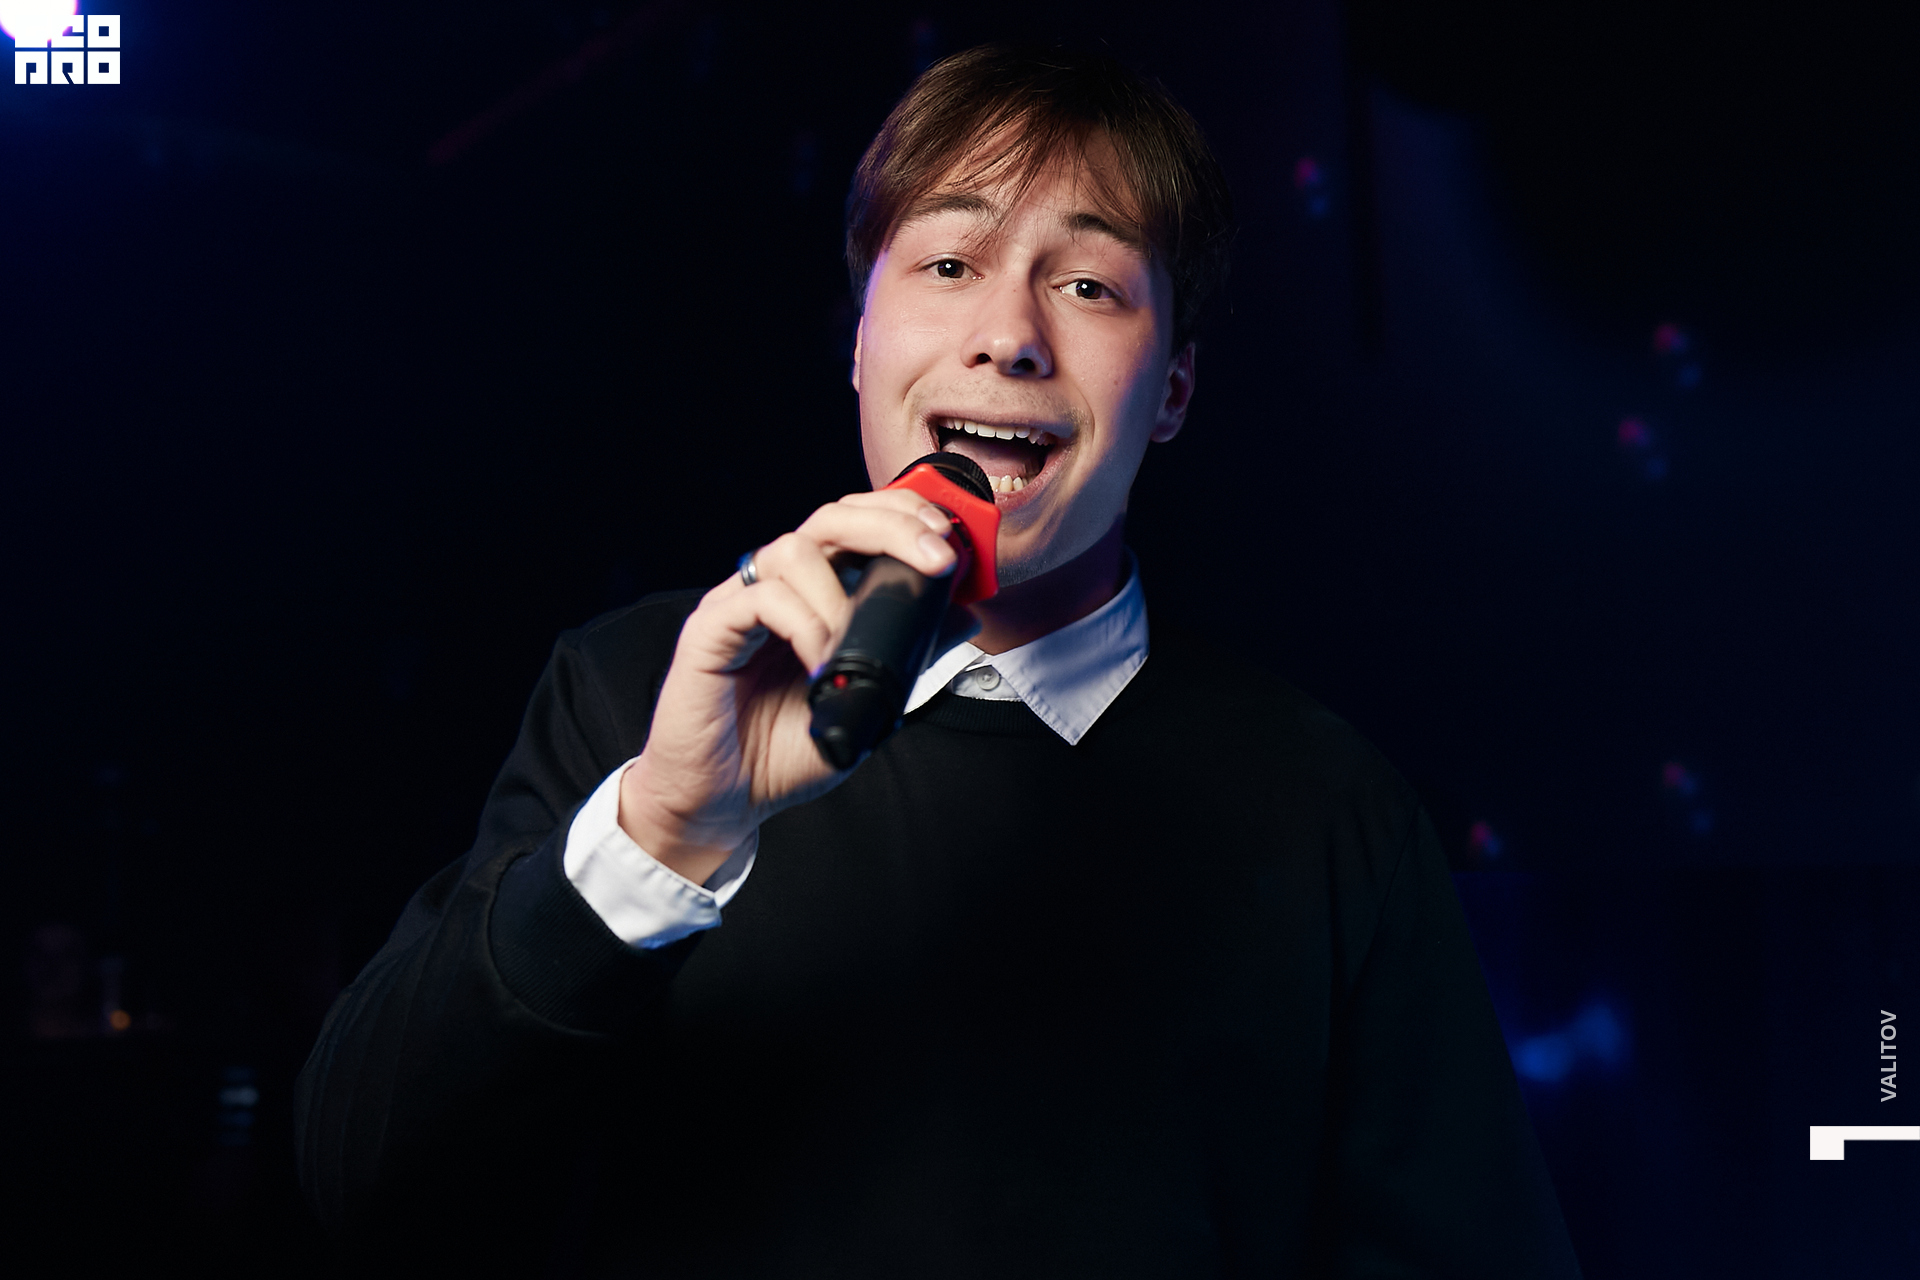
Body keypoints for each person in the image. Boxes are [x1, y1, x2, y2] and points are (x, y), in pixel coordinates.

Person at [295, 44, 1582, 1278]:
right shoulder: (640, 691)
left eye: (1089, 286)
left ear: (1175, 390)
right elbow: (364, 1175)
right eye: (952, 262)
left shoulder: (1327, 806)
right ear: (861, 343)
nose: (1008, 334)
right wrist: (664, 830)